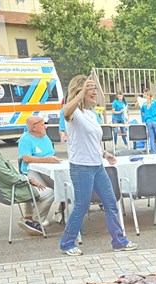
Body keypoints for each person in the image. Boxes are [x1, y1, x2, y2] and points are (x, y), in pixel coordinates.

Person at [59, 74, 137, 256]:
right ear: (80, 91)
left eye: (94, 90)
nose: (94, 93)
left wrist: (105, 153)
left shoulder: (92, 115)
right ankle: (67, 243)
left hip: (97, 165)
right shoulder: (73, 113)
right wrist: (81, 92)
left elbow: (93, 141)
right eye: (90, 90)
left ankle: (119, 241)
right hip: (81, 167)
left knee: (111, 203)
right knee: (81, 205)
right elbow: (66, 111)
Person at [0, 120, 55, 236]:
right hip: (7, 190)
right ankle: (34, 222)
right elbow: (7, 176)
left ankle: (30, 218)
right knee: (49, 192)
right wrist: (27, 180)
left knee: (37, 187)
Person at [141, 90, 156, 154]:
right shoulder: (155, 102)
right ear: (152, 96)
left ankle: (153, 151)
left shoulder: (144, 104)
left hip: (148, 122)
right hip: (155, 120)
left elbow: (143, 113)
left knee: (151, 138)